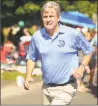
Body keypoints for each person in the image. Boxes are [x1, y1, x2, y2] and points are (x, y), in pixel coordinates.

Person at [24, 1, 94, 105]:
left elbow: (89, 50)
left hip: (66, 87)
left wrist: (82, 67)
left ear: (58, 18)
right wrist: (28, 75)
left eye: (51, 16)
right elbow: (31, 57)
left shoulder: (73, 34)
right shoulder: (37, 36)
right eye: (45, 16)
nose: (48, 19)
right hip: (46, 88)